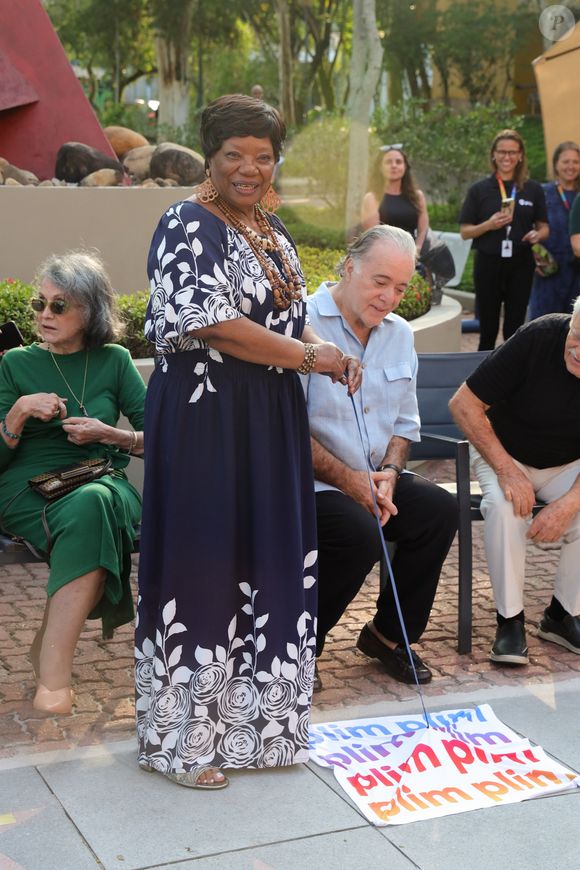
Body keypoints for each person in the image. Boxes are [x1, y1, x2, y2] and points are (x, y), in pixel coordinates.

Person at [136, 93, 361, 790]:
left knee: (268, 560)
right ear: (210, 155)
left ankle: (258, 733)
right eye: (234, 154)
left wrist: (325, 346)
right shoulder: (185, 222)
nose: (249, 168)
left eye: (262, 157)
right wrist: (306, 358)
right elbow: (211, 322)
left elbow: (290, 318)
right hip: (206, 417)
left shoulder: (269, 226)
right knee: (205, 562)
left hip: (267, 418)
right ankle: (184, 744)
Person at [302, 225, 458, 688]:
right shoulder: (301, 322)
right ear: (349, 268)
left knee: (438, 510)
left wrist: (389, 473)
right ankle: (301, 643)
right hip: (310, 480)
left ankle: (388, 635)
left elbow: (405, 426)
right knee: (359, 535)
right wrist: (351, 480)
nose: (390, 296)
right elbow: (284, 430)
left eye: (402, 287)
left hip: (372, 477)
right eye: (380, 281)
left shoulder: (399, 335)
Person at [0, 252, 145, 715]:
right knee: (96, 511)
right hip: (27, 484)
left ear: (90, 310)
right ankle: (55, 667)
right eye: (39, 304)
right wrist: (19, 411)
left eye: (59, 306)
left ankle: (51, 655)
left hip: (98, 474)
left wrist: (111, 434)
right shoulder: (14, 363)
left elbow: (164, 436)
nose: (45, 315)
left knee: (96, 503)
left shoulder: (115, 360)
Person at [449, 302, 580, 665]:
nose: (578, 351)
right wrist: (507, 470)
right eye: (577, 336)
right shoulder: (538, 337)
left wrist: (569, 504)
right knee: (504, 509)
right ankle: (510, 621)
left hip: (568, 463)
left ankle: (562, 614)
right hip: (503, 452)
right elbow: (463, 404)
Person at [459, 129, 549, 351]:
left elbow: (544, 227)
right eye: (502, 152)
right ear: (493, 155)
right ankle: (481, 376)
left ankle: (511, 376)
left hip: (520, 263)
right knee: (487, 327)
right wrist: (488, 225)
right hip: (488, 263)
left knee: (515, 327)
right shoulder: (479, 190)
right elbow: (465, 231)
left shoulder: (533, 189)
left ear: (520, 156)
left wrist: (538, 235)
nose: (506, 157)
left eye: (512, 152)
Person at [528, 141, 580, 319]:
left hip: (577, 271)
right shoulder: (542, 193)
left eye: (575, 162)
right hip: (550, 270)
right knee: (542, 326)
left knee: (573, 329)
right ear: (556, 164)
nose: (571, 167)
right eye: (566, 162)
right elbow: (528, 227)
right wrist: (533, 257)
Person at [360, 146, 429, 256]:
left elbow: (423, 229)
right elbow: (374, 237)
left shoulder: (417, 196)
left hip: (413, 257)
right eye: (388, 162)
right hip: (382, 256)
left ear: (405, 167)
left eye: (398, 162)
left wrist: (417, 249)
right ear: (380, 167)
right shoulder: (371, 198)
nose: (394, 166)